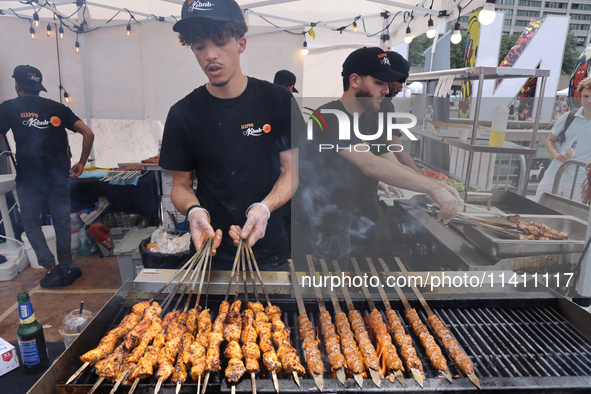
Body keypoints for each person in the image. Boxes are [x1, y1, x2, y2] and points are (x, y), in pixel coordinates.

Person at [292, 47, 461, 270]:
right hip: (310, 226)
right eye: (379, 83)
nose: (385, 91)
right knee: (313, 296)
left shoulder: (369, 119)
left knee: (337, 295)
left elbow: (388, 159)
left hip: (341, 224)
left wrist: (434, 185)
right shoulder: (328, 117)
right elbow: (370, 164)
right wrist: (433, 189)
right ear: (354, 80)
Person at [159, 0, 298, 270]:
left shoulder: (277, 100)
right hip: (210, 249)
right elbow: (181, 185)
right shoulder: (182, 113)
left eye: (220, 41)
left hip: (269, 247)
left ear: (241, 44)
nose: (211, 54)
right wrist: (193, 211)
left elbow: (291, 172)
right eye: (200, 46)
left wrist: (265, 208)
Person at [0, 65, 94, 288]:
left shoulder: (8, 108)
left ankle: (51, 270)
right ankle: (67, 268)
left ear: (17, 86)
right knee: (62, 222)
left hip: (28, 178)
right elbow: (88, 133)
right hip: (58, 176)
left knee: (31, 224)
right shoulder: (56, 108)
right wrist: (81, 162)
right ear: (39, 87)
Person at [535, 77, 591, 203]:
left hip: (581, 182)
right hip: (555, 174)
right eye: (585, 96)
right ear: (580, 97)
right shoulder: (568, 117)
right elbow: (550, 140)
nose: (589, 100)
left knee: (570, 221)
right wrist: (556, 154)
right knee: (539, 212)